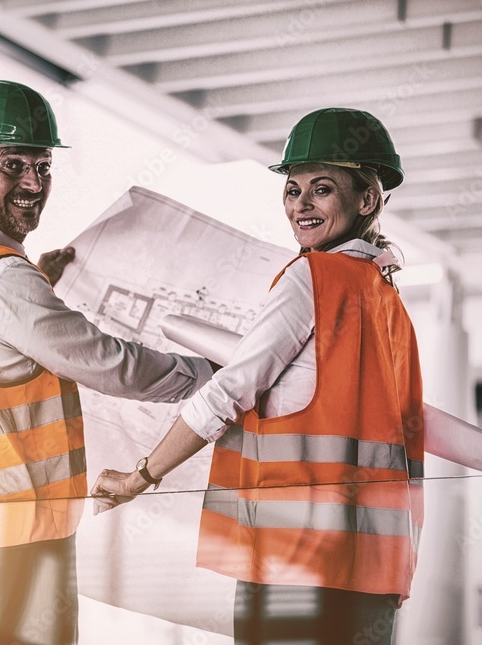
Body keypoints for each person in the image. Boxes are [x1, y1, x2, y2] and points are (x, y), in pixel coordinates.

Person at [0, 80, 213, 645]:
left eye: (42, 167)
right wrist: (216, 376)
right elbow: (112, 366)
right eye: (12, 165)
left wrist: (34, 280)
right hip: (12, 545)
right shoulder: (0, 278)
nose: (33, 183)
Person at [92, 108, 424, 645]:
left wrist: (141, 476)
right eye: (293, 190)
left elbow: (227, 392)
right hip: (371, 570)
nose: (301, 205)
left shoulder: (312, 278)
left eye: (321, 189)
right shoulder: (388, 302)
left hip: (291, 558)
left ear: (367, 200)